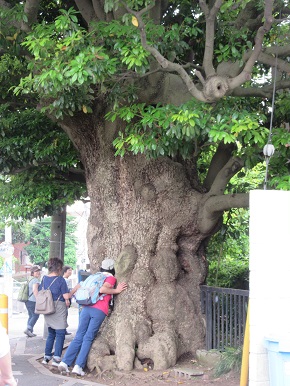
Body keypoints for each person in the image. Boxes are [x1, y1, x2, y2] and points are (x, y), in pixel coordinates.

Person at [58, 258, 127, 376]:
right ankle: (78, 366)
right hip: (99, 310)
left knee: (79, 336)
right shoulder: (110, 277)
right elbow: (103, 289)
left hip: (86, 307)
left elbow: (80, 285)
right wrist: (117, 290)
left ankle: (65, 362)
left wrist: (70, 294)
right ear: (112, 268)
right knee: (88, 337)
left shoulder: (93, 276)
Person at [36, 257, 71, 367]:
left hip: (48, 307)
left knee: (51, 333)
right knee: (60, 333)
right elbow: (66, 295)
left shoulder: (44, 278)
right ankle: (56, 358)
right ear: (59, 268)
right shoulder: (60, 280)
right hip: (58, 308)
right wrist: (75, 289)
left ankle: (46, 357)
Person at [24, 265, 42, 337]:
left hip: (28, 300)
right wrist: (38, 299)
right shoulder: (35, 280)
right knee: (35, 315)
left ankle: (29, 331)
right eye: (36, 271)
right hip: (33, 301)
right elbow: (35, 290)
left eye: (38, 271)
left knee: (31, 315)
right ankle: (28, 329)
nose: (38, 273)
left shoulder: (30, 279)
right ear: (32, 273)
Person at [62, 265, 73, 335]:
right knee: (64, 314)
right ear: (65, 271)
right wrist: (67, 300)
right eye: (69, 270)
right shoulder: (66, 280)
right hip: (66, 298)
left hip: (66, 298)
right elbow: (66, 291)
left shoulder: (65, 280)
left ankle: (64, 329)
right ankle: (63, 329)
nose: (71, 272)